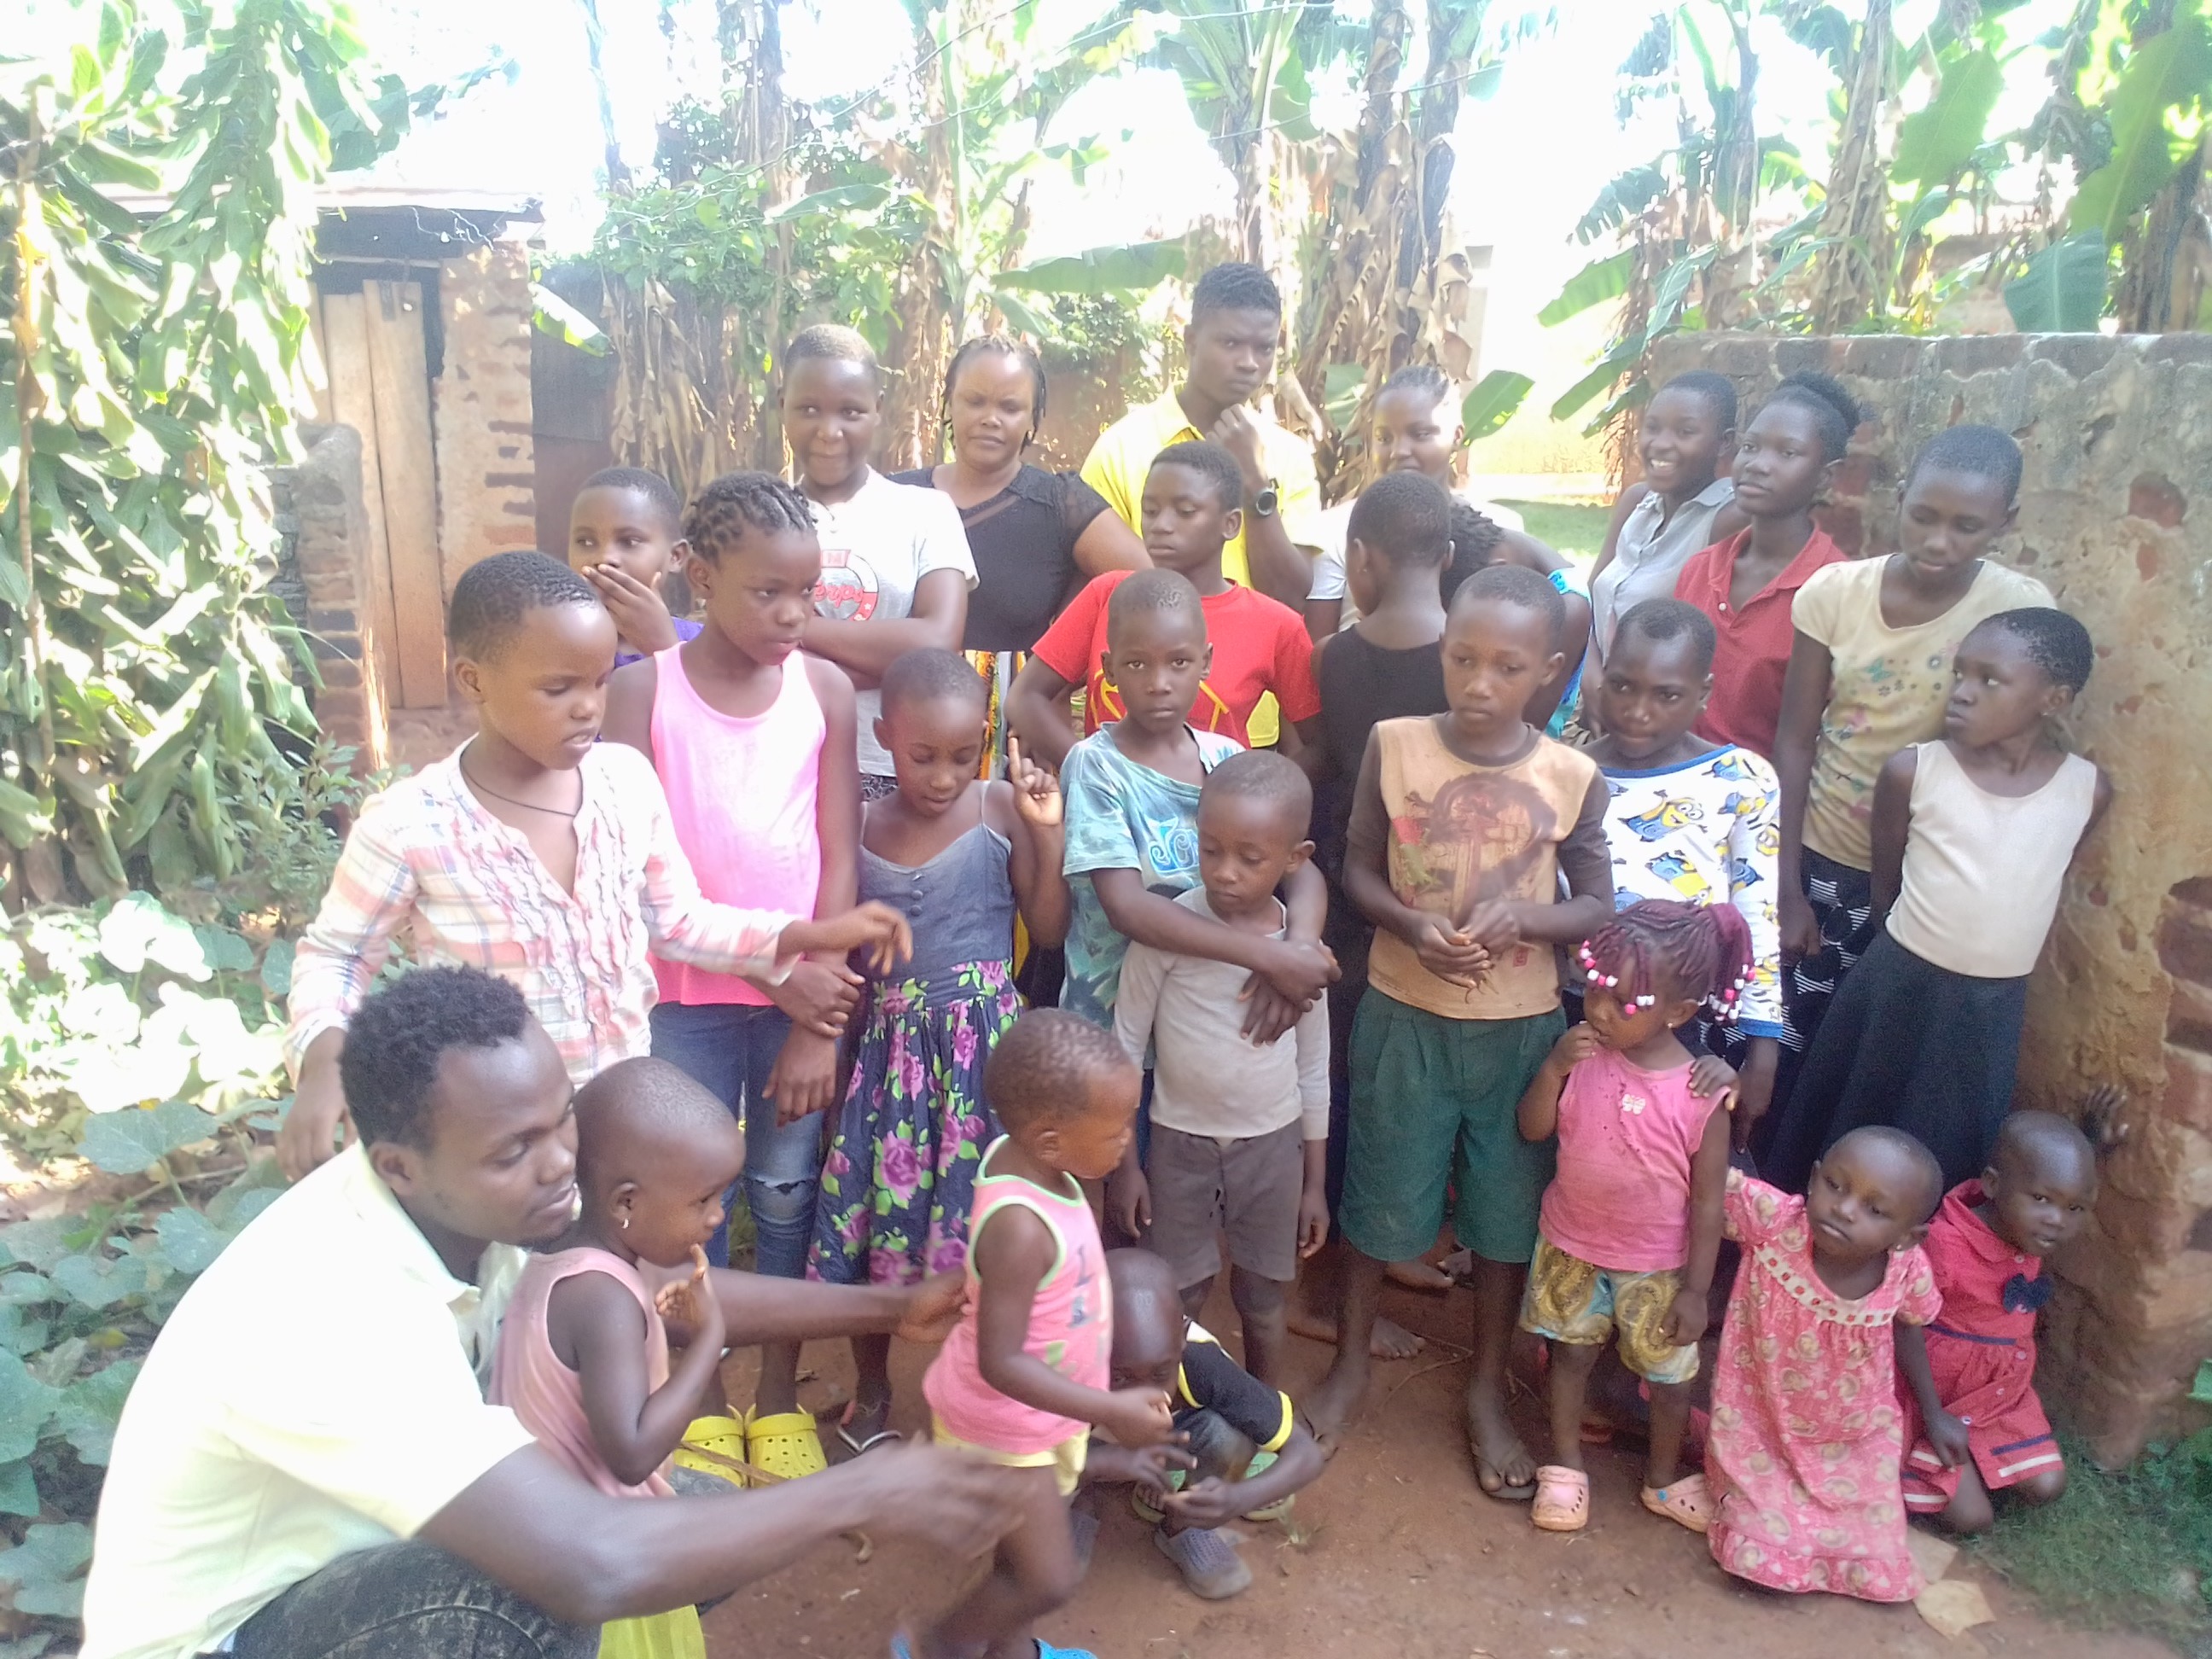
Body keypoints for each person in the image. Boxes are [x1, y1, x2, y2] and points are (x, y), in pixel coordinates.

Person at [84, 968, 1023, 1659]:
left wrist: (892, 1304)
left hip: (370, 1559)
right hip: (241, 1633)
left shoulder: (471, 1198)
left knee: (694, 1520)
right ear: (399, 1165)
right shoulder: (332, 1310)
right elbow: (588, 1564)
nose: (559, 1164)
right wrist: (859, 1492)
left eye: (560, 1120)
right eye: (514, 1150)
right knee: (535, 1594)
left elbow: (665, 1293)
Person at [276, 551, 910, 1183]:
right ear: (473, 680)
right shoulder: (413, 822)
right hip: (500, 1141)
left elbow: (679, 923)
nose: (588, 708)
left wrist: (806, 935)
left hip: (622, 1116)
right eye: (559, 689)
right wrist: (325, 1060)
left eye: (600, 682)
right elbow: (337, 955)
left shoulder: (623, 783)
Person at [1305, 564, 1615, 1494]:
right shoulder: (1396, 746)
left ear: (1549, 671)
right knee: (1376, 1193)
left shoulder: (1571, 776)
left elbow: (1597, 905)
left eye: (1508, 667)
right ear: (1441, 650)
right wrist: (1410, 924)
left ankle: (1485, 1388)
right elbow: (1359, 868)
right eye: (1463, 659)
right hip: (1403, 1011)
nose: (1480, 683)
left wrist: (1529, 919)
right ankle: (1350, 1364)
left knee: (1506, 1218)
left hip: (1519, 1035)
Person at [597, 469, 864, 1481]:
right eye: (767, 592)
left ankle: (777, 1391)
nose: (793, 614)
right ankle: (700, 1397)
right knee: (679, 1201)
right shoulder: (639, 695)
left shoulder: (824, 692)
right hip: (682, 1002)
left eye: (807, 593)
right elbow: (632, 874)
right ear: (700, 578)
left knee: (785, 1188)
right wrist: (776, 975)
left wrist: (817, 1016)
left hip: (801, 1003)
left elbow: (838, 854)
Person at [810, 649, 1070, 1457]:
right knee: (870, 1219)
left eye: (964, 755)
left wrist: (1046, 835)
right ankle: (875, 1389)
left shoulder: (999, 807)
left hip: (986, 1058)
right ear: (885, 734)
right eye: (923, 756)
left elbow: (1049, 928)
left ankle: (993, 1396)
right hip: (888, 1060)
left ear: (985, 739)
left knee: (990, 1224)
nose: (944, 776)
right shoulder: (857, 823)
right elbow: (848, 959)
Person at [1766, 426, 2057, 1136]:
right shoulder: (1836, 594)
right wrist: (1787, 883)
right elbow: (1796, 739)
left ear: (2006, 523)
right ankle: (1771, 1182)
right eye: (1923, 516)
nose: (1939, 541)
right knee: (1790, 1038)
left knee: (1876, 1056)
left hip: (1927, 879)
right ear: (1900, 498)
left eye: (1967, 527)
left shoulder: (2019, 610)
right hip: (1827, 857)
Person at [1764, 609, 2110, 1193]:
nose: (1963, 693)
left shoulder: (2086, 790)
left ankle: (1923, 1250)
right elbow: (1887, 883)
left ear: (2054, 699)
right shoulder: (1915, 771)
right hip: (1896, 982)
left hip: (1991, 1006)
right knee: (1848, 1114)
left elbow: (2048, 873)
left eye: (1989, 680)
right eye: (1961, 675)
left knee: (1951, 1139)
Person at [910, 1010, 1176, 1659]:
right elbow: (1001, 1361)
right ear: (1050, 1141)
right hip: (1005, 1426)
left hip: (1040, 1414)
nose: (1126, 1141)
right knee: (1046, 1577)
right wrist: (1109, 1409)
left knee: (1019, 1563)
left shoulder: (1033, 1163)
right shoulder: (1022, 1227)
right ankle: (938, 1647)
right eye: (1115, 1131)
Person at [487, 1058, 747, 1659]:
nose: (717, 1216)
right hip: (605, 1558)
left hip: (553, 1535)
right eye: (703, 1200)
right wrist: (707, 1340)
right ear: (626, 1203)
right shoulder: (602, 1298)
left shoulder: (563, 1261)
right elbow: (631, 1454)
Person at [1515, 900, 1749, 1535]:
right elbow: (1532, 1129)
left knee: (1670, 1382)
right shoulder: (1580, 1056)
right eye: (1595, 988)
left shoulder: (1701, 1094)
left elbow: (1709, 1202)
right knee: (1569, 1359)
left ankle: (1663, 1480)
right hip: (1572, 1246)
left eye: (1624, 1002)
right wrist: (1554, 1068)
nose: (1598, 1009)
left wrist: (1697, 1291)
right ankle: (1565, 1468)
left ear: (1680, 1012)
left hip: (1659, 1269)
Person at [1109, 751, 1330, 1388]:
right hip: (1178, 1146)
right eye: (1211, 850)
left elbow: (1313, 1067)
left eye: (1250, 858)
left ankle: (1265, 1417)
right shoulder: (1169, 932)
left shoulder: (1300, 955)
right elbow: (1126, 1049)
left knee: (1264, 1301)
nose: (1225, 872)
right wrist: (1127, 1166)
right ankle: (1169, 1421)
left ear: (1295, 858)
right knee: (1178, 1298)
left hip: (1274, 1149)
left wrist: (1314, 1183)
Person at [1052, 568, 1335, 1039]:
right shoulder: (1095, 766)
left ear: (1206, 662)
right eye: (1137, 664)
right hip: (1112, 1033)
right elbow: (1127, 907)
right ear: (1109, 668)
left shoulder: (1226, 758)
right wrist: (1268, 955)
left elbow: (1298, 868)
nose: (1159, 682)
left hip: (1205, 1026)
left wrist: (1299, 945)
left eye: (1179, 662)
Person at [1081, 261, 1324, 746]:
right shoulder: (1121, 448)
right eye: (1231, 343)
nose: (1249, 362)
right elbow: (1098, 593)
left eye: (1264, 348)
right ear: (1191, 341)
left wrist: (1255, 483)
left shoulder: (1290, 457)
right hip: (1131, 723)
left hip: (1242, 728)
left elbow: (1290, 597)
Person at [1705, 1127, 1945, 1603]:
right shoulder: (1775, 1222)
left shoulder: (1906, 1270)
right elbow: (1703, 1178)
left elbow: (1910, 1329)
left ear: (1908, 1237)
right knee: (1759, 1557)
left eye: (1875, 1210)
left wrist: (1934, 1415)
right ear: (1814, 1178)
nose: (1845, 1209)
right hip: (1761, 1431)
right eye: (1835, 1186)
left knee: (1876, 1559)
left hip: (1856, 1441)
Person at [1586, 598, 1785, 1142]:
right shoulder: (1568, 771)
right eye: (1622, 686)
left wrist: (1763, 1049)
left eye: (1666, 695)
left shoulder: (1741, 780)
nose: (1638, 711)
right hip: (1580, 1008)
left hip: (1679, 1023)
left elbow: (1756, 914)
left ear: (1703, 693)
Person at [1006, 440, 1322, 764]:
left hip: (1214, 796)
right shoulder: (1108, 595)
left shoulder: (1275, 625)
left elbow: (1318, 744)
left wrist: (1261, 790)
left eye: (1185, 512)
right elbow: (1024, 697)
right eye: (1150, 511)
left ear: (1230, 524)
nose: (1161, 526)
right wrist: (1091, 771)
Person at [782, 323, 978, 796]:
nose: (829, 432)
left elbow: (938, 644)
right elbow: (745, 651)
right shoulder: (760, 519)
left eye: (850, 411)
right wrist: (890, 666)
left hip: (895, 769)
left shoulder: (926, 512)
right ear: (782, 406)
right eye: (808, 409)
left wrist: (796, 628)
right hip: (783, 761)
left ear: (879, 409)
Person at [1897, 1109, 2102, 1534]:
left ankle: (1977, 1455)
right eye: (2042, 1200)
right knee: (1975, 1520)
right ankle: (1918, 1460)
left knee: (2048, 1486)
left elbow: (2059, 1179)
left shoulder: (2026, 1231)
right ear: (1992, 1185)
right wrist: (1933, 1416)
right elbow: (1904, 1324)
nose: (2057, 1220)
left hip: (1996, 1395)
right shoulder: (1946, 1246)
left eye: (2074, 1208)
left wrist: (2095, 1142)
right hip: (1933, 1396)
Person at [1094, 1249, 1327, 1600]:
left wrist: (1238, 1498)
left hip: (1174, 1443)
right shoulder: (1063, 1363)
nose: (1145, 1396)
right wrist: (1092, 1465)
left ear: (1181, 1338)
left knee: (1230, 1437)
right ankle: (1081, 1505)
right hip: (1087, 1448)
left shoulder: (1201, 1362)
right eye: (1120, 1376)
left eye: (1160, 1373)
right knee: (1044, 1468)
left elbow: (1305, 1452)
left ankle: (1183, 1526)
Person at [1673, 370, 1860, 760]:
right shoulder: (1700, 569)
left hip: (1764, 787)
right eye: (1751, 447)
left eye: (1787, 453)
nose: (1758, 464)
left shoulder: (1838, 589)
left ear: (1826, 475)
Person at [1301, 363, 1545, 639]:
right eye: (1384, 437)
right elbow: (1317, 648)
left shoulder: (1500, 529)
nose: (1399, 451)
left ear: (1457, 435)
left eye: (1420, 434)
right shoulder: (1333, 531)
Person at [1581, 371, 1745, 684]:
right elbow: (1589, 603)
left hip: (1651, 704)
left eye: (1685, 432)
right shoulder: (1637, 502)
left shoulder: (1726, 519)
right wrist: (1592, 680)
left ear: (1724, 442)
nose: (1661, 444)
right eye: (1653, 428)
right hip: (1595, 691)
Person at [566, 465, 703, 668]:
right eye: (585, 542)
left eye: (629, 541)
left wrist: (664, 647)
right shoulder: (551, 646)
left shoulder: (704, 645)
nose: (604, 558)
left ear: (675, 556)